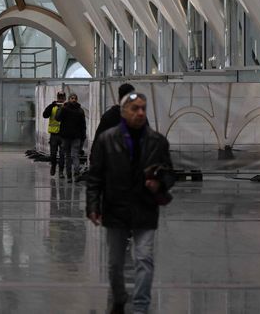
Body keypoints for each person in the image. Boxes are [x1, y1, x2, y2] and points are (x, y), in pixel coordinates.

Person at [87, 91, 174, 314]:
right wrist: (93, 205)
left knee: (144, 258)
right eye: (135, 108)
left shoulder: (158, 142)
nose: (140, 112)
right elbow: (95, 176)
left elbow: (170, 174)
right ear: (123, 111)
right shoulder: (107, 140)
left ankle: (141, 306)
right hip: (116, 208)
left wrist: (160, 184)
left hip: (145, 208)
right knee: (115, 263)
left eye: (143, 108)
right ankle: (119, 297)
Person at [57, 92, 87, 179]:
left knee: (69, 156)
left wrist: (61, 108)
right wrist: (83, 136)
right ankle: (75, 173)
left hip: (67, 136)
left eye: (74, 98)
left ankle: (70, 175)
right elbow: (83, 125)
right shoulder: (80, 110)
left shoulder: (65, 109)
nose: (73, 100)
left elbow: (58, 118)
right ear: (69, 99)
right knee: (75, 155)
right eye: (72, 98)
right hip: (75, 136)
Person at [43, 91, 66, 177]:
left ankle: (60, 171)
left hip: (64, 134)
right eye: (59, 97)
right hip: (54, 134)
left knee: (62, 154)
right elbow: (45, 115)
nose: (61, 99)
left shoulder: (66, 107)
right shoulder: (52, 106)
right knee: (53, 154)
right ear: (57, 98)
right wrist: (51, 105)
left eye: (62, 97)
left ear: (64, 98)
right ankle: (53, 166)